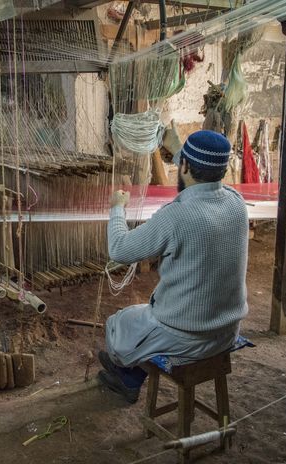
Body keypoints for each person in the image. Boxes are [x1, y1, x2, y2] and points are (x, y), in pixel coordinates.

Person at [98, 130, 249, 403]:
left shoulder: (176, 216)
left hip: (187, 337)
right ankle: (130, 377)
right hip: (227, 331)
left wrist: (117, 208)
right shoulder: (236, 203)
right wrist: (178, 147)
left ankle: (126, 374)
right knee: (141, 317)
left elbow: (119, 250)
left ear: (185, 167)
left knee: (118, 324)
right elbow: (202, 172)